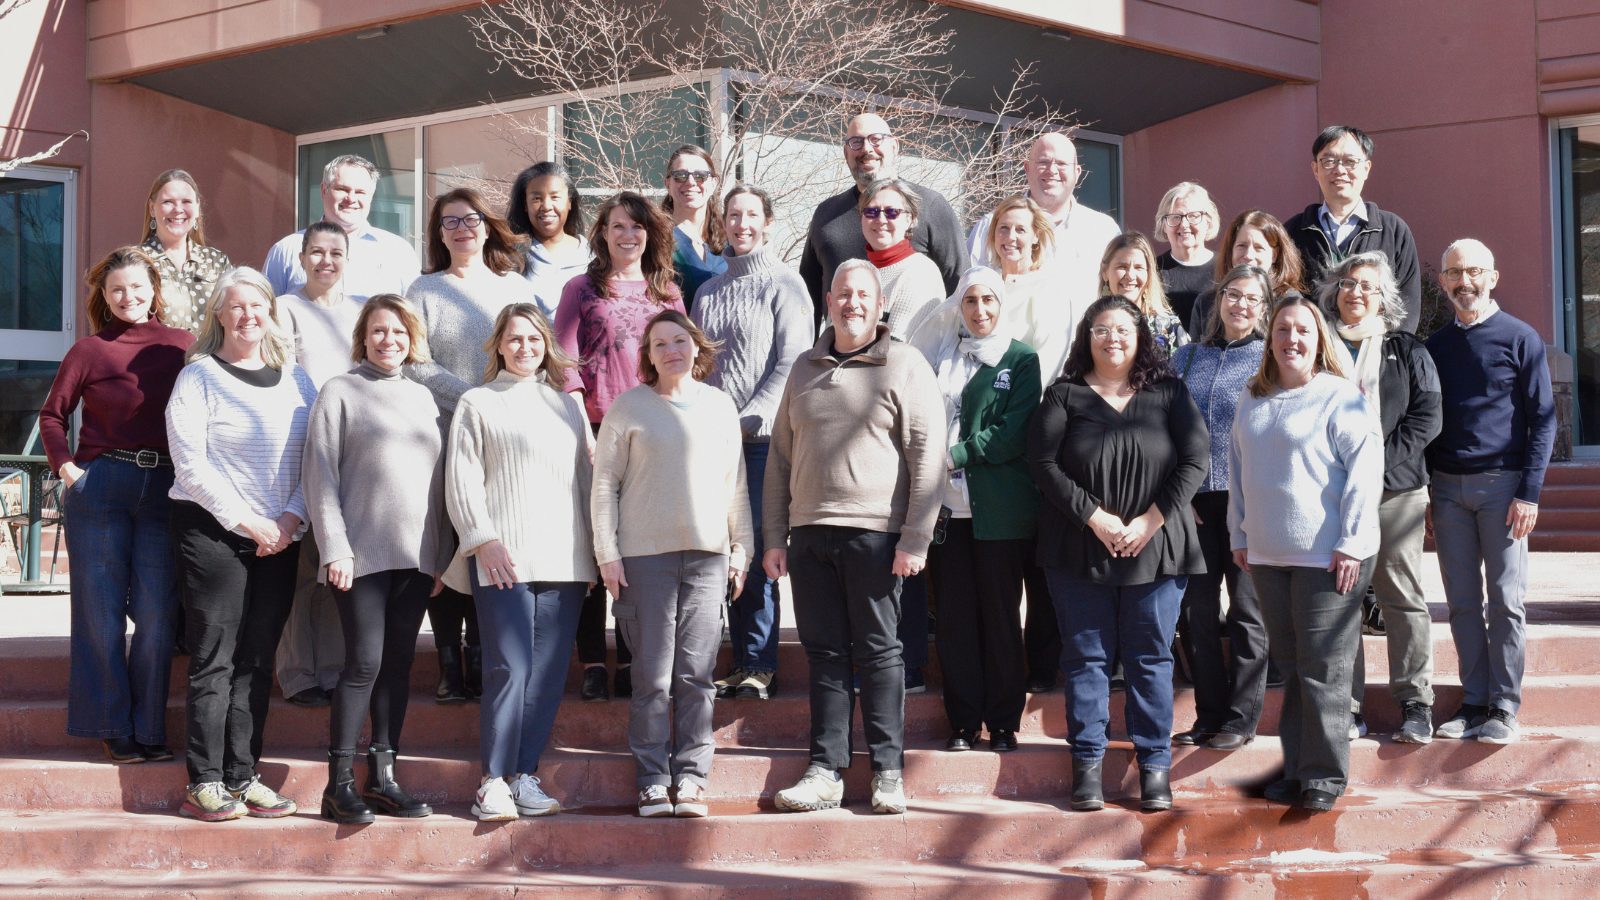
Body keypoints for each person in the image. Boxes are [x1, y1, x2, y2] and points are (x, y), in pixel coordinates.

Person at [765, 260, 944, 815]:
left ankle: (888, 771)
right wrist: (774, 535)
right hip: (810, 534)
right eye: (843, 293)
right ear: (828, 299)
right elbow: (779, 459)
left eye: (863, 294)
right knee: (824, 654)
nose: (852, 303)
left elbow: (927, 455)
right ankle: (826, 769)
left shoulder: (906, 364)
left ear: (879, 302)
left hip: (876, 536)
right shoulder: (803, 367)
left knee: (880, 652)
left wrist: (916, 537)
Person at [1027, 295, 1207, 813]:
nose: (1112, 339)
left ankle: (1154, 766)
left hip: (1158, 547)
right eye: (1101, 329)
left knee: (1151, 657)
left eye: (1123, 329)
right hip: (1079, 547)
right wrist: (1096, 517)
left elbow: (1195, 460)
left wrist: (1150, 521)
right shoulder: (1064, 395)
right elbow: (1042, 463)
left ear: (1140, 336)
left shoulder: (1169, 392)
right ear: (1087, 337)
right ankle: (1087, 764)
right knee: (1087, 658)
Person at [165, 267, 317, 822]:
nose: (249, 315)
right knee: (214, 659)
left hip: (281, 534)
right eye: (237, 307)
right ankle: (203, 781)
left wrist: (291, 516)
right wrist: (251, 522)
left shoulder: (297, 379)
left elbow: (314, 459)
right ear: (219, 317)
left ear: (270, 312)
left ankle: (243, 775)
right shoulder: (199, 377)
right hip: (213, 534)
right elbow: (191, 465)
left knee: (256, 661)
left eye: (258, 306)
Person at [593, 311, 753, 817]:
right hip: (644, 558)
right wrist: (607, 553)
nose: (671, 350)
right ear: (648, 355)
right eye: (659, 343)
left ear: (696, 346)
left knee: (696, 675)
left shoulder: (720, 406)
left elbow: (736, 483)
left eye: (679, 340)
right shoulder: (628, 408)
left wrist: (741, 546)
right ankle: (652, 780)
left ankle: (691, 778)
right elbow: (604, 485)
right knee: (652, 676)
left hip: (708, 556)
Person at [38, 247, 193, 765]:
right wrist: (68, 469)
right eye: (117, 290)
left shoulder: (183, 346)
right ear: (103, 297)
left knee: (155, 617)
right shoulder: (89, 350)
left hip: (166, 486)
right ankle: (111, 726)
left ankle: (149, 727)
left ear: (155, 290)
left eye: (138, 287)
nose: (129, 297)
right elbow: (53, 416)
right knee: (101, 614)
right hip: (103, 484)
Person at [302, 294, 452, 823]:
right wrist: (334, 546)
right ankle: (337, 784)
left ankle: (384, 777)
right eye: (379, 331)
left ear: (413, 339)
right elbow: (319, 476)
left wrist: (438, 557)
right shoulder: (340, 391)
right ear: (363, 337)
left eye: (399, 332)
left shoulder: (424, 398)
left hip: (416, 558)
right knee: (364, 662)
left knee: (398, 665)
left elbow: (437, 487)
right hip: (359, 555)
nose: (389, 340)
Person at [443, 303, 596, 821]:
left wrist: (595, 553)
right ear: (499, 346)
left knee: (549, 673)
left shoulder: (566, 405)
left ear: (546, 345)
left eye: (534, 339)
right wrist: (481, 539)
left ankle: (524, 773)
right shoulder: (478, 402)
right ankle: (493, 781)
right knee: (509, 666)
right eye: (515, 339)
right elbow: (461, 478)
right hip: (502, 557)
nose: (524, 348)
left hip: (565, 558)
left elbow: (585, 483)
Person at [1230, 295, 1382, 813]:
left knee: (1324, 668)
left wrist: (1353, 544)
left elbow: (1365, 474)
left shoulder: (1340, 397)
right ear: (1269, 340)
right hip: (1269, 557)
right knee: (1292, 668)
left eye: (1303, 331)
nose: (1292, 339)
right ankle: (1296, 769)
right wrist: (1239, 534)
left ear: (1319, 341)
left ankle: (1325, 774)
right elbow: (1238, 474)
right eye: (1282, 330)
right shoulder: (1253, 398)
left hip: (1328, 557)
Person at [555, 191, 686, 702]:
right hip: (597, 427)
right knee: (595, 545)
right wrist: (582, 431)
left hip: (654, 434)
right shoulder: (582, 289)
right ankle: (592, 659)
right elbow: (563, 362)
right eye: (617, 226)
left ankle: (632, 655)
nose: (628, 235)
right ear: (602, 233)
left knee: (638, 547)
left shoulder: (668, 292)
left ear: (650, 233)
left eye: (637, 227)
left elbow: (682, 362)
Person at [1426, 238, 1556, 745]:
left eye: (1475, 271)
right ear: (1443, 282)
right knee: (1460, 602)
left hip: (1504, 489)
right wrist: (1428, 492)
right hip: (1448, 490)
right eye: (1455, 273)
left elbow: (1543, 422)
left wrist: (1530, 493)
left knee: (1505, 600)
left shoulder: (1521, 338)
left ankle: (1504, 705)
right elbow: (1428, 424)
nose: (1465, 282)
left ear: (1493, 277)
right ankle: (1474, 701)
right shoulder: (1436, 348)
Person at [908, 267, 1041, 753]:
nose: (980, 310)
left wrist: (956, 454)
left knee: (1001, 618)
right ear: (958, 307)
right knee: (956, 620)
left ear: (1002, 304)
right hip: (945, 513)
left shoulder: (1021, 359)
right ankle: (963, 723)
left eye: (988, 300)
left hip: (999, 514)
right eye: (970, 301)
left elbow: (1012, 430)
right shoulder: (945, 357)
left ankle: (1004, 722)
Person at [691, 185, 813, 702]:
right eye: (733, 215)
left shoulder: (786, 285)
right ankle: (738, 660)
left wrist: (746, 418)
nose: (741, 223)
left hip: (761, 442)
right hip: (712, 444)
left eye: (750, 215)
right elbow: (695, 365)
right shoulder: (708, 291)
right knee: (722, 549)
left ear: (767, 222)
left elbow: (793, 360)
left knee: (761, 550)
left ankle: (760, 663)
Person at [409, 186, 530, 704]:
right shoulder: (423, 288)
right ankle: (450, 662)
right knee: (449, 539)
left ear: (487, 225)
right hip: (440, 430)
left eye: (471, 219)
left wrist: (496, 406)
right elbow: (415, 359)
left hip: (501, 435)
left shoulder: (513, 285)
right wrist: (473, 398)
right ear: (439, 234)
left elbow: (531, 348)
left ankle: (480, 652)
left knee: (489, 532)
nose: (462, 228)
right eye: (449, 222)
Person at [1322, 252, 1442, 745]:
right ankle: (1347, 708)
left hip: (1397, 492)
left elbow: (1426, 418)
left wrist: (1375, 467)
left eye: (1367, 286)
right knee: (1341, 600)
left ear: (1383, 296)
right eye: (1348, 283)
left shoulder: (1406, 349)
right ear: (1334, 291)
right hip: (1330, 494)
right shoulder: (1316, 346)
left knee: (1401, 596)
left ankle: (1415, 702)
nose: (1356, 292)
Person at [1168, 265, 1270, 751]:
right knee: (1198, 611)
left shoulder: (1270, 357)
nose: (1241, 305)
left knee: (1249, 611)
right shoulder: (1187, 358)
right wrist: (1176, 494)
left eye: (1252, 298)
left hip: (1248, 499)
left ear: (1264, 308)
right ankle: (1208, 714)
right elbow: (1164, 426)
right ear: (1219, 300)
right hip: (1194, 501)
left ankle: (1240, 718)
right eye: (1233, 295)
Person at [978, 194, 1067, 691]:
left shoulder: (1050, 290)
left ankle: (1044, 668)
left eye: (1020, 229)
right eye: (1003, 230)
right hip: (990, 449)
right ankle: (1004, 668)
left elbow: (1045, 362)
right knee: (1000, 569)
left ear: (1036, 235)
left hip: (1033, 435)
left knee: (1040, 562)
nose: (1012, 238)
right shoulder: (981, 287)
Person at [273, 221, 363, 710]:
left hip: (352, 453)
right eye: (317, 252)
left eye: (335, 252)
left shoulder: (360, 313)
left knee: (336, 568)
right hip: (301, 449)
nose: (326, 261)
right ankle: (297, 671)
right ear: (302, 258)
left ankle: (331, 668)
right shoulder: (285, 309)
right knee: (303, 569)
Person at [798, 113, 967, 324]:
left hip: (916, 350)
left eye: (876, 139)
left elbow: (959, 285)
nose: (867, 149)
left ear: (895, 147)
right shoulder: (827, 214)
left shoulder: (931, 206)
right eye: (856, 142)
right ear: (845, 152)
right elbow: (809, 293)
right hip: (837, 350)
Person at [1283, 126, 1422, 332]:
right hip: (1313, 357)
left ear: (1366, 169)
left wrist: (1387, 352)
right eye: (1329, 161)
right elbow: (1283, 297)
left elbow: (1408, 305)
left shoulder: (1393, 230)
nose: (1339, 170)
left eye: (1349, 161)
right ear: (1315, 169)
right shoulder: (1293, 232)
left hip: (1376, 356)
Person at [965, 131, 1120, 305]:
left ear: (1077, 173)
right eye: (1043, 162)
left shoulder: (1103, 231)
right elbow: (969, 295)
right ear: (1027, 168)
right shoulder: (990, 226)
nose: (1052, 170)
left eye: (1061, 164)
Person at [263, 154, 418, 301]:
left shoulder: (398, 252)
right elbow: (267, 315)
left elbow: (413, 319)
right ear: (324, 190)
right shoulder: (286, 249)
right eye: (342, 189)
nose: (351, 198)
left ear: (371, 196)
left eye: (360, 192)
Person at [1187, 209, 1307, 338]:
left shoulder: (1290, 303)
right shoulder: (1206, 303)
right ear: (1231, 251)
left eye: (1258, 248)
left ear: (1274, 255)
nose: (1249, 255)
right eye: (1242, 246)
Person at [139, 170, 231, 334]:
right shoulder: (136, 261)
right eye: (168, 202)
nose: (178, 209)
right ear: (152, 208)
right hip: (156, 359)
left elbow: (233, 315)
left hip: (210, 359)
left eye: (186, 202)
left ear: (197, 209)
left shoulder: (217, 262)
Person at [858, 177, 944, 340]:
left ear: (909, 219)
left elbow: (895, 347)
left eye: (892, 212)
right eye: (871, 212)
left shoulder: (921, 273)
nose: (881, 220)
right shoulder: (855, 273)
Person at [507, 161, 588, 321]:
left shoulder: (594, 255)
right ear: (525, 205)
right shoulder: (511, 256)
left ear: (570, 202)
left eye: (555, 197)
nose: (546, 206)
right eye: (537, 198)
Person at [1098, 232, 1188, 356]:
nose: (1130, 276)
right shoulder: (1092, 324)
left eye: (1138, 267)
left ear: (1149, 274)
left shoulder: (1169, 328)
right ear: (1105, 272)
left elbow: (1184, 372)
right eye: (1122, 267)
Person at [660, 145, 727, 311]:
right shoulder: (654, 238)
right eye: (680, 176)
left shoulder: (730, 240)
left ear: (713, 183)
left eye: (700, 176)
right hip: (675, 335)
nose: (690, 182)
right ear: (668, 183)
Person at [1153, 182, 1220, 329]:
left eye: (1193, 216)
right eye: (1175, 217)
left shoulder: (1226, 267)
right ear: (1163, 225)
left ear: (1208, 222)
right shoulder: (1152, 271)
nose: (1184, 224)